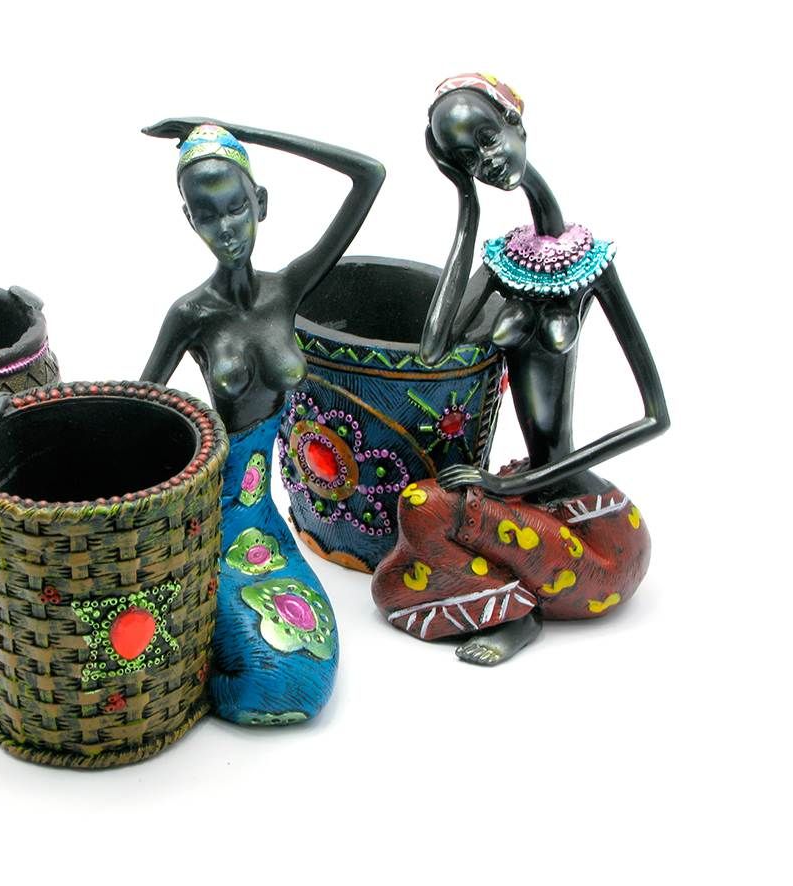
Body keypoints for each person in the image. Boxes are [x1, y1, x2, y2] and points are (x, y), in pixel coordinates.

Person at [371, 74, 669, 665]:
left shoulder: (592, 264)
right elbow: (433, 348)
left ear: (517, 125)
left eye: (486, 140)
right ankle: (513, 599)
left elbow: (654, 417)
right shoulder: (504, 261)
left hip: (600, 540)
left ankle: (516, 614)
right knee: (389, 585)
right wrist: (466, 202)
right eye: (466, 159)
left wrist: (508, 488)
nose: (485, 163)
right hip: (530, 504)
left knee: (424, 508)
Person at [141, 119, 384, 723]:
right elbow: (140, 408)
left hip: (264, 513)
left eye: (237, 208)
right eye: (207, 216)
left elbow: (369, 177)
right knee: (271, 679)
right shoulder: (190, 314)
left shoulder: (287, 289)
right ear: (190, 221)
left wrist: (241, 132)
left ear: (261, 204)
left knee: (306, 667)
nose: (226, 229)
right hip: (214, 515)